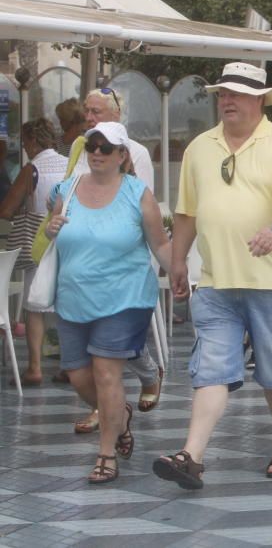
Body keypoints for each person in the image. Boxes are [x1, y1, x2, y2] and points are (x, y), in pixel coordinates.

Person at [154, 62, 272, 489]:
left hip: (267, 280)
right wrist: (179, 261)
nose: (227, 100)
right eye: (223, 93)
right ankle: (192, 455)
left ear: (260, 100)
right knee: (211, 367)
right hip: (215, 280)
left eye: (237, 94)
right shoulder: (199, 147)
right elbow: (186, 212)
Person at [45, 122, 170, 483]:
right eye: (92, 146)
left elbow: (159, 243)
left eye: (105, 147)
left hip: (125, 296)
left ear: (122, 155)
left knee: (105, 372)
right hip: (73, 296)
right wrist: (51, 226)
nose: (96, 152)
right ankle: (119, 416)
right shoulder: (65, 189)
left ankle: (105, 455)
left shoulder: (138, 194)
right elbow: (50, 224)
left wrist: (178, 273)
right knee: (79, 376)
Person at [69, 88, 162, 433]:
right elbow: (68, 193)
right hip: (82, 265)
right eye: (87, 112)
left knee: (114, 346)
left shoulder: (134, 152)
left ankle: (141, 383)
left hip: (121, 268)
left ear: (116, 115)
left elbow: (142, 204)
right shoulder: (79, 147)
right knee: (94, 351)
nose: (90, 119)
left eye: (97, 111)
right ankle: (108, 407)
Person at [0, 120, 69, 386]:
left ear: (32, 141)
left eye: (26, 142)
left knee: (34, 307)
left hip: (38, 242)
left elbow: (6, 209)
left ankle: (35, 368)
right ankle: (68, 365)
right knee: (65, 305)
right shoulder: (68, 165)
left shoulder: (32, 169)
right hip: (66, 239)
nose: (25, 147)